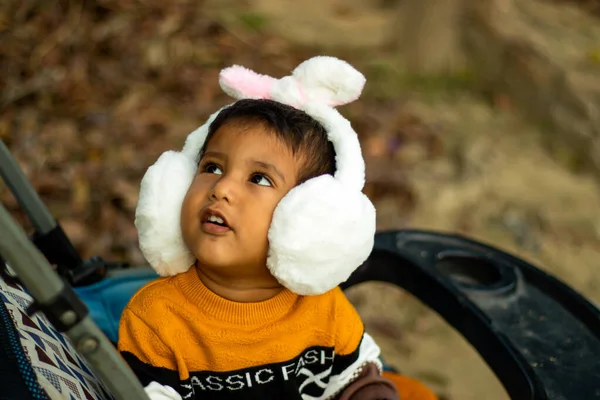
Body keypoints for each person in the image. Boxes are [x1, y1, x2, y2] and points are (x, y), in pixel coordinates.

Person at [118, 56, 436, 400]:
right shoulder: (156, 320)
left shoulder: (325, 311)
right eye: (211, 167)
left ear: (305, 217)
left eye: (259, 178)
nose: (221, 188)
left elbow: (358, 384)